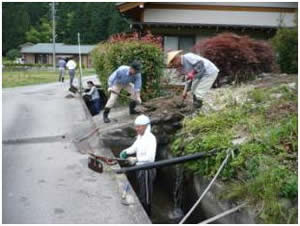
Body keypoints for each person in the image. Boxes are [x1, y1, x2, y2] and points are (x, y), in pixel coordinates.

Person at [119, 114, 157, 216]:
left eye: (139, 126)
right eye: (136, 126)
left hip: (147, 170)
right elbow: (134, 147)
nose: (137, 128)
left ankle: (147, 214)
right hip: (140, 167)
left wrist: (135, 159)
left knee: (147, 194)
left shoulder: (151, 139)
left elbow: (150, 158)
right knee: (142, 190)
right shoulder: (140, 137)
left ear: (146, 126)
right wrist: (126, 151)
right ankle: (143, 209)